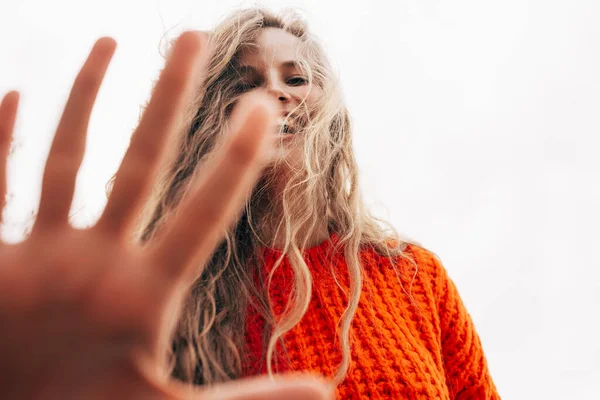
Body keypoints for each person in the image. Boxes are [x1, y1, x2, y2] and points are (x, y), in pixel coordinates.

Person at [0, 6, 499, 400]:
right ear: (209, 119)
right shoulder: (154, 298)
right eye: (244, 84)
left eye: (296, 78)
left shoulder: (414, 277)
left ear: (333, 114)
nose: (274, 93)